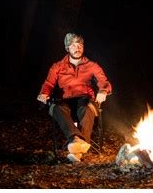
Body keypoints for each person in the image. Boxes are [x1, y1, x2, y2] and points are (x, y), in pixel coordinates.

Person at [37, 33, 112, 162]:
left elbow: (103, 81)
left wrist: (103, 91)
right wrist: (44, 93)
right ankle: (77, 143)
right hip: (65, 101)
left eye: (80, 45)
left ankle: (75, 147)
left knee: (87, 107)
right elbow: (48, 84)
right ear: (67, 48)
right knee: (55, 107)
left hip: (85, 99)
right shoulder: (58, 66)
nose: (77, 48)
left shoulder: (92, 65)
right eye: (73, 46)